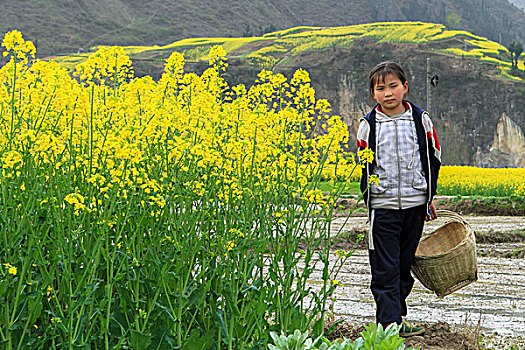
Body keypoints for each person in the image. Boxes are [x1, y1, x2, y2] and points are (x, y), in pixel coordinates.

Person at [356, 61, 441, 337]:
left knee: (404, 267)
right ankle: (389, 327)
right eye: (381, 88)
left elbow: (433, 158)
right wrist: (370, 199)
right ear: (373, 94)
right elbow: (364, 165)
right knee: (385, 269)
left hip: (415, 205)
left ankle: (396, 318)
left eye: (393, 86)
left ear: (405, 87)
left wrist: (429, 197)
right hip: (383, 208)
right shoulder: (367, 125)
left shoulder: (420, 119)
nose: (388, 93)